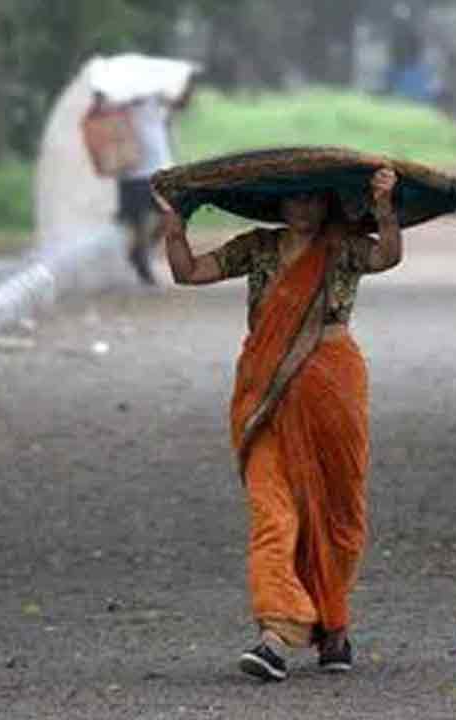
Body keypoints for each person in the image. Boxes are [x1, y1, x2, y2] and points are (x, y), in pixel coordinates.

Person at [153, 168, 403, 682]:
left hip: (333, 385)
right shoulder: (257, 248)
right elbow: (189, 273)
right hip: (265, 390)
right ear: (277, 206)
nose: (303, 210)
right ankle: (276, 633)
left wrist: (384, 209)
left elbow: (387, 256)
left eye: (313, 199)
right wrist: (175, 229)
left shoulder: (346, 247)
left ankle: (333, 626)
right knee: (273, 513)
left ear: (326, 204)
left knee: (337, 511)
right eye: (293, 201)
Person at [113, 81, 194, 285]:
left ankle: (140, 253)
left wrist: (187, 85)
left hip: (160, 171)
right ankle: (142, 265)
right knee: (137, 222)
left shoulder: (158, 101)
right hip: (132, 172)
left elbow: (181, 104)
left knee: (171, 216)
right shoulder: (121, 104)